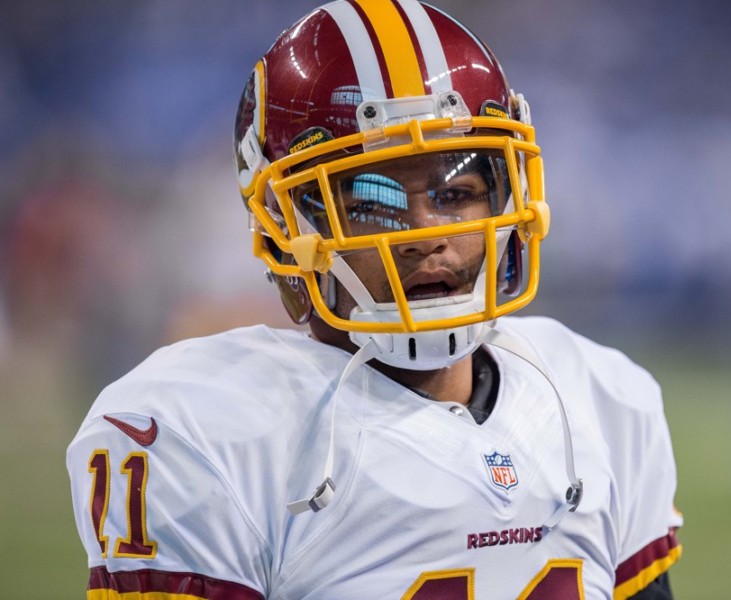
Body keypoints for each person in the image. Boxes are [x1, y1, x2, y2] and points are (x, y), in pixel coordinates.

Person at [67, 1, 683, 598]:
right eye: (370, 203)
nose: (425, 235)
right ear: (287, 226)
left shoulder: (599, 400)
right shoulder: (209, 434)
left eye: (455, 190)